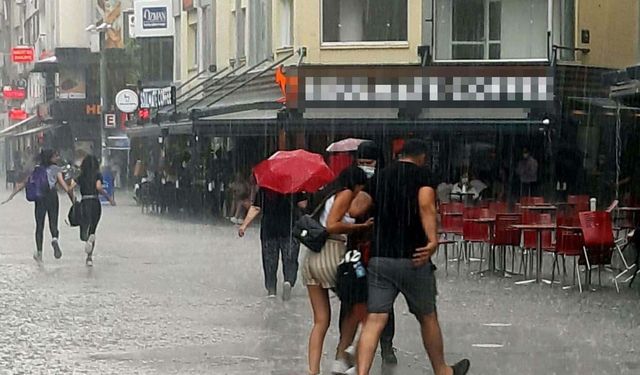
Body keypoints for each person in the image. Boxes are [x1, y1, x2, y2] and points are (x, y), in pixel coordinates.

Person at [351, 139, 470, 375]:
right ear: (422, 156)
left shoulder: (380, 178)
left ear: (399, 155)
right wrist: (432, 240)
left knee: (375, 319)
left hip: (381, 258)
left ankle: (362, 372)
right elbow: (426, 205)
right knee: (427, 316)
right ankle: (442, 371)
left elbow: (355, 208)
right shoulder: (423, 176)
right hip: (414, 258)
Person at [301, 166, 372, 375]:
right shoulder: (347, 193)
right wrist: (360, 227)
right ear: (356, 183)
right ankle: (346, 355)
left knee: (321, 321)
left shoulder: (328, 194)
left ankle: (313, 371)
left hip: (312, 259)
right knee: (363, 305)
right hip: (332, 253)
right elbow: (332, 225)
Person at [334, 141, 398, 374]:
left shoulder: (386, 185)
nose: (365, 167)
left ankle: (386, 345)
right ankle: (345, 346)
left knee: (382, 302)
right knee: (351, 298)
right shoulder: (352, 184)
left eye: (369, 163)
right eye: (360, 163)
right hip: (355, 253)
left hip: (379, 252)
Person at [2, 150, 74, 262]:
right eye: (55, 156)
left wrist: (10, 196)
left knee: (39, 225)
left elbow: (23, 184)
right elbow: (65, 187)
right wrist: (73, 195)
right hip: (52, 197)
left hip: (40, 198)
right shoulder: (56, 169)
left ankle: (39, 253)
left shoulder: (36, 169)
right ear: (50, 158)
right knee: (53, 221)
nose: (57, 158)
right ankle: (54, 239)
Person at [238, 187, 306, 300]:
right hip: (289, 228)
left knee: (269, 259)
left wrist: (244, 225)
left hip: (269, 229)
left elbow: (255, 208)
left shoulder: (265, 189)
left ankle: (271, 290)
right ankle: (288, 281)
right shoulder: (294, 186)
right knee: (290, 258)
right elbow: (303, 205)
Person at [68, 155, 115, 266]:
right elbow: (98, 187)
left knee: (84, 227)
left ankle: (86, 239)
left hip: (84, 202)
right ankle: (89, 258)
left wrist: (74, 201)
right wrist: (109, 198)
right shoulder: (98, 175)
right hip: (95, 203)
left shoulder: (81, 176)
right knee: (93, 230)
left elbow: (70, 189)